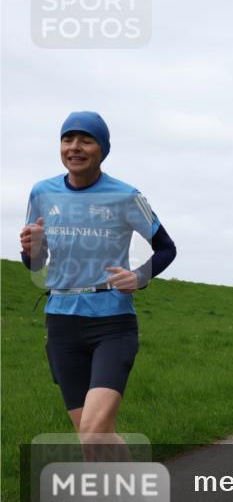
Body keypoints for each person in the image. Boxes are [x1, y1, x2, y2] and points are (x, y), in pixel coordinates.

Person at [19, 111, 177, 454]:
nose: (75, 147)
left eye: (85, 140)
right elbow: (36, 263)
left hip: (112, 323)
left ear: (102, 149)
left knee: (93, 432)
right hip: (61, 321)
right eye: (67, 139)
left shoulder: (125, 195)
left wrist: (139, 277)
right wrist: (31, 250)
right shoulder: (42, 192)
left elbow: (167, 248)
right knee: (93, 436)